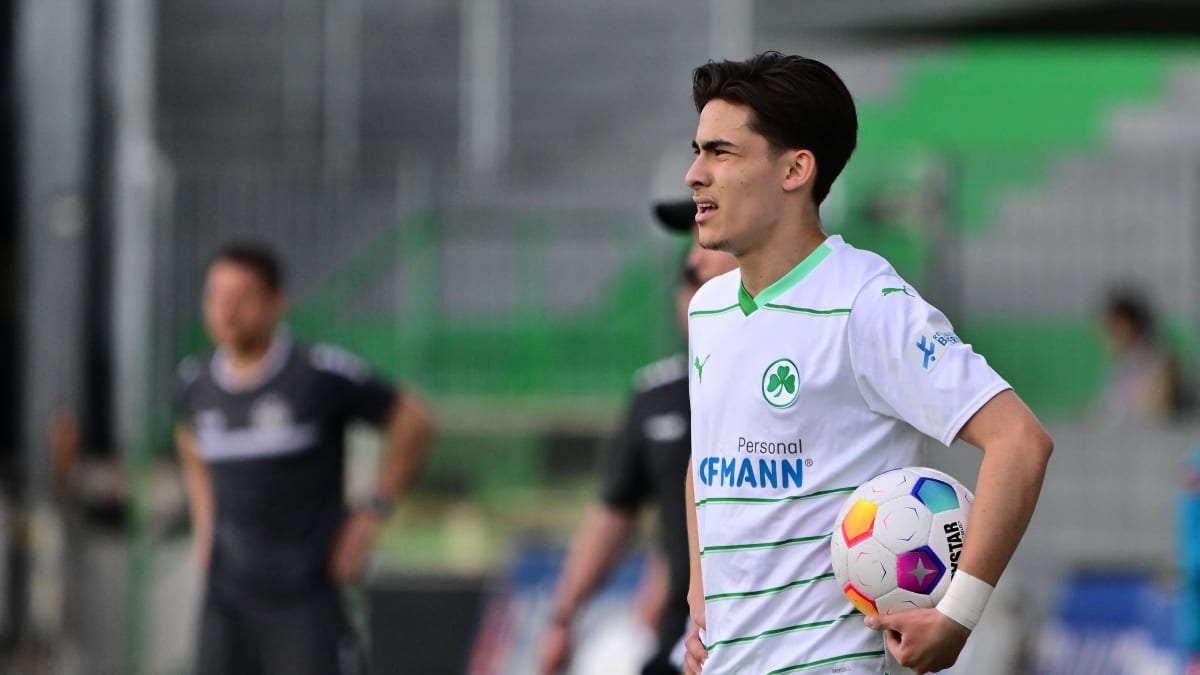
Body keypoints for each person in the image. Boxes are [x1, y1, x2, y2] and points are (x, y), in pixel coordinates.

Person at [679, 52, 1053, 675]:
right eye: (698, 151)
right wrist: (702, 594)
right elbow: (708, 461)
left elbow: (1019, 441)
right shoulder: (709, 308)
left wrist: (957, 616)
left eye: (721, 152)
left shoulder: (866, 303)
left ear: (795, 169)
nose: (695, 174)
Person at [174, 241, 434, 675]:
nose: (227, 310)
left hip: (304, 596)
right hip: (227, 597)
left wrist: (371, 513)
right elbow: (189, 441)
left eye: (242, 297)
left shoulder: (317, 375)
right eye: (216, 296)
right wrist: (205, 521)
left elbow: (414, 421)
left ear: (276, 303)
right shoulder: (194, 383)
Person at [538, 202, 736, 675]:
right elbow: (614, 510)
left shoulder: (802, 374)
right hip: (683, 644)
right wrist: (563, 616)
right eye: (687, 280)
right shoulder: (657, 396)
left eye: (705, 275)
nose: (694, 275)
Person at [1098, 287, 1188, 423]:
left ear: (1128, 325)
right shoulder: (1121, 366)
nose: (1106, 332)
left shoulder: (1161, 363)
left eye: (1113, 325)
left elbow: (1157, 414)